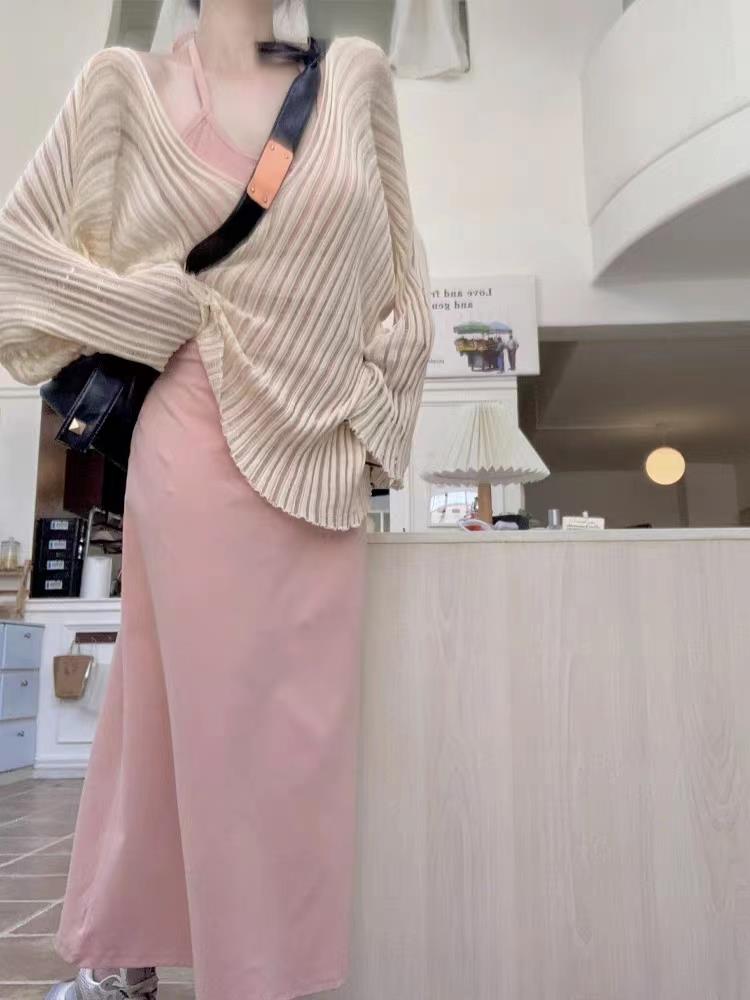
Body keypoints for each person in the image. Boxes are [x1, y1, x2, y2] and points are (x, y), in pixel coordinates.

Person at [0, 0, 434, 998]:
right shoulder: (127, 84)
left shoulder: (355, 78)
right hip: (192, 430)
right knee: (215, 716)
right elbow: (18, 251)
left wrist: (376, 416)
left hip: (322, 439)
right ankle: (225, 973)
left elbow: (405, 284)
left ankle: (139, 958)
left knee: (270, 723)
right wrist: (138, 308)